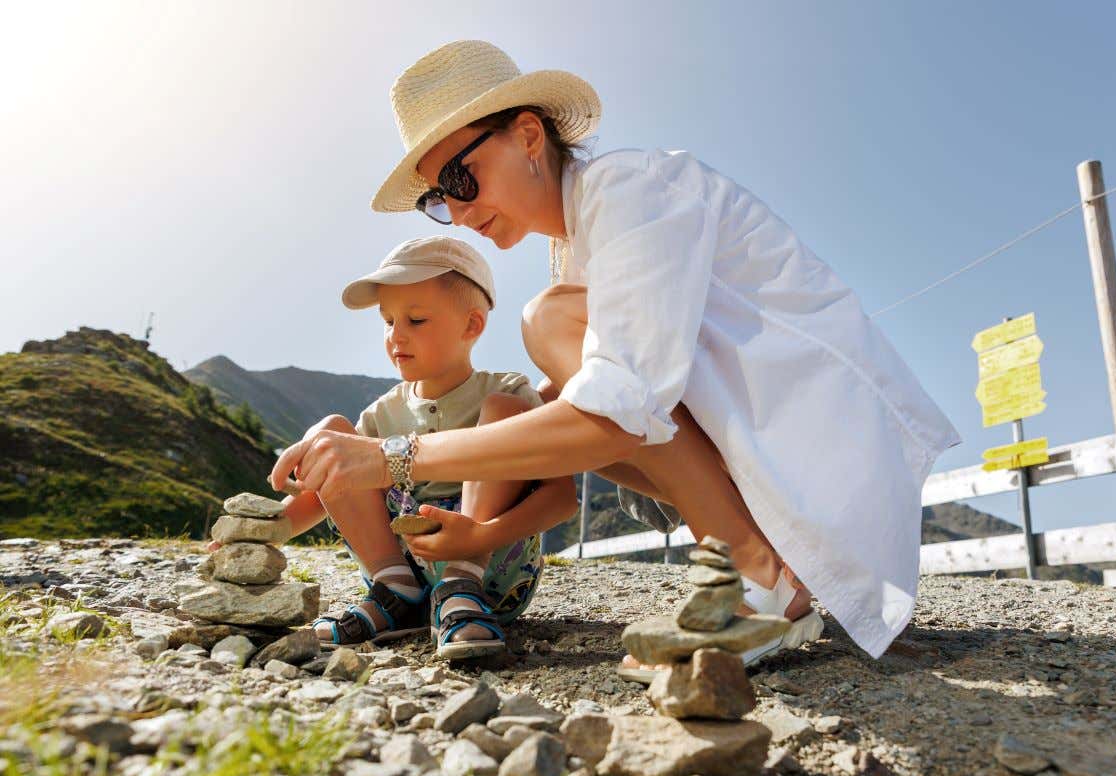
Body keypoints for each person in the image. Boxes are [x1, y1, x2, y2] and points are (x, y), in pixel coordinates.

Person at [271, 40, 960, 677]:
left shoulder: (628, 188)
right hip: (776, 444)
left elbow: (619, 412)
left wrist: (392, 458)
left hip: (818, 431)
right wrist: (460, 518)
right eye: (437, 197)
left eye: (462, 174)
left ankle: (759, 576)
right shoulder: (576, 245)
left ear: (529, 135)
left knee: (556, 340)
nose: (457, 205)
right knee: (550, 402)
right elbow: (581, 428)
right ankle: (763, 562)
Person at [256, 235, 578, 659]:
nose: (396, 336)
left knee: (503, 412)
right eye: (388, 321)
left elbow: (562, 496)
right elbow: (329, 490)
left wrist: (481, 535)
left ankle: (462, 587)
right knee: (334, 434)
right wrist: (264, 534)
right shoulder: (378, 415)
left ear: (472, 326)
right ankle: (395, 592)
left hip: (492, 569)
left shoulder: (509, 391)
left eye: (417, 321)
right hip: (405, 565)